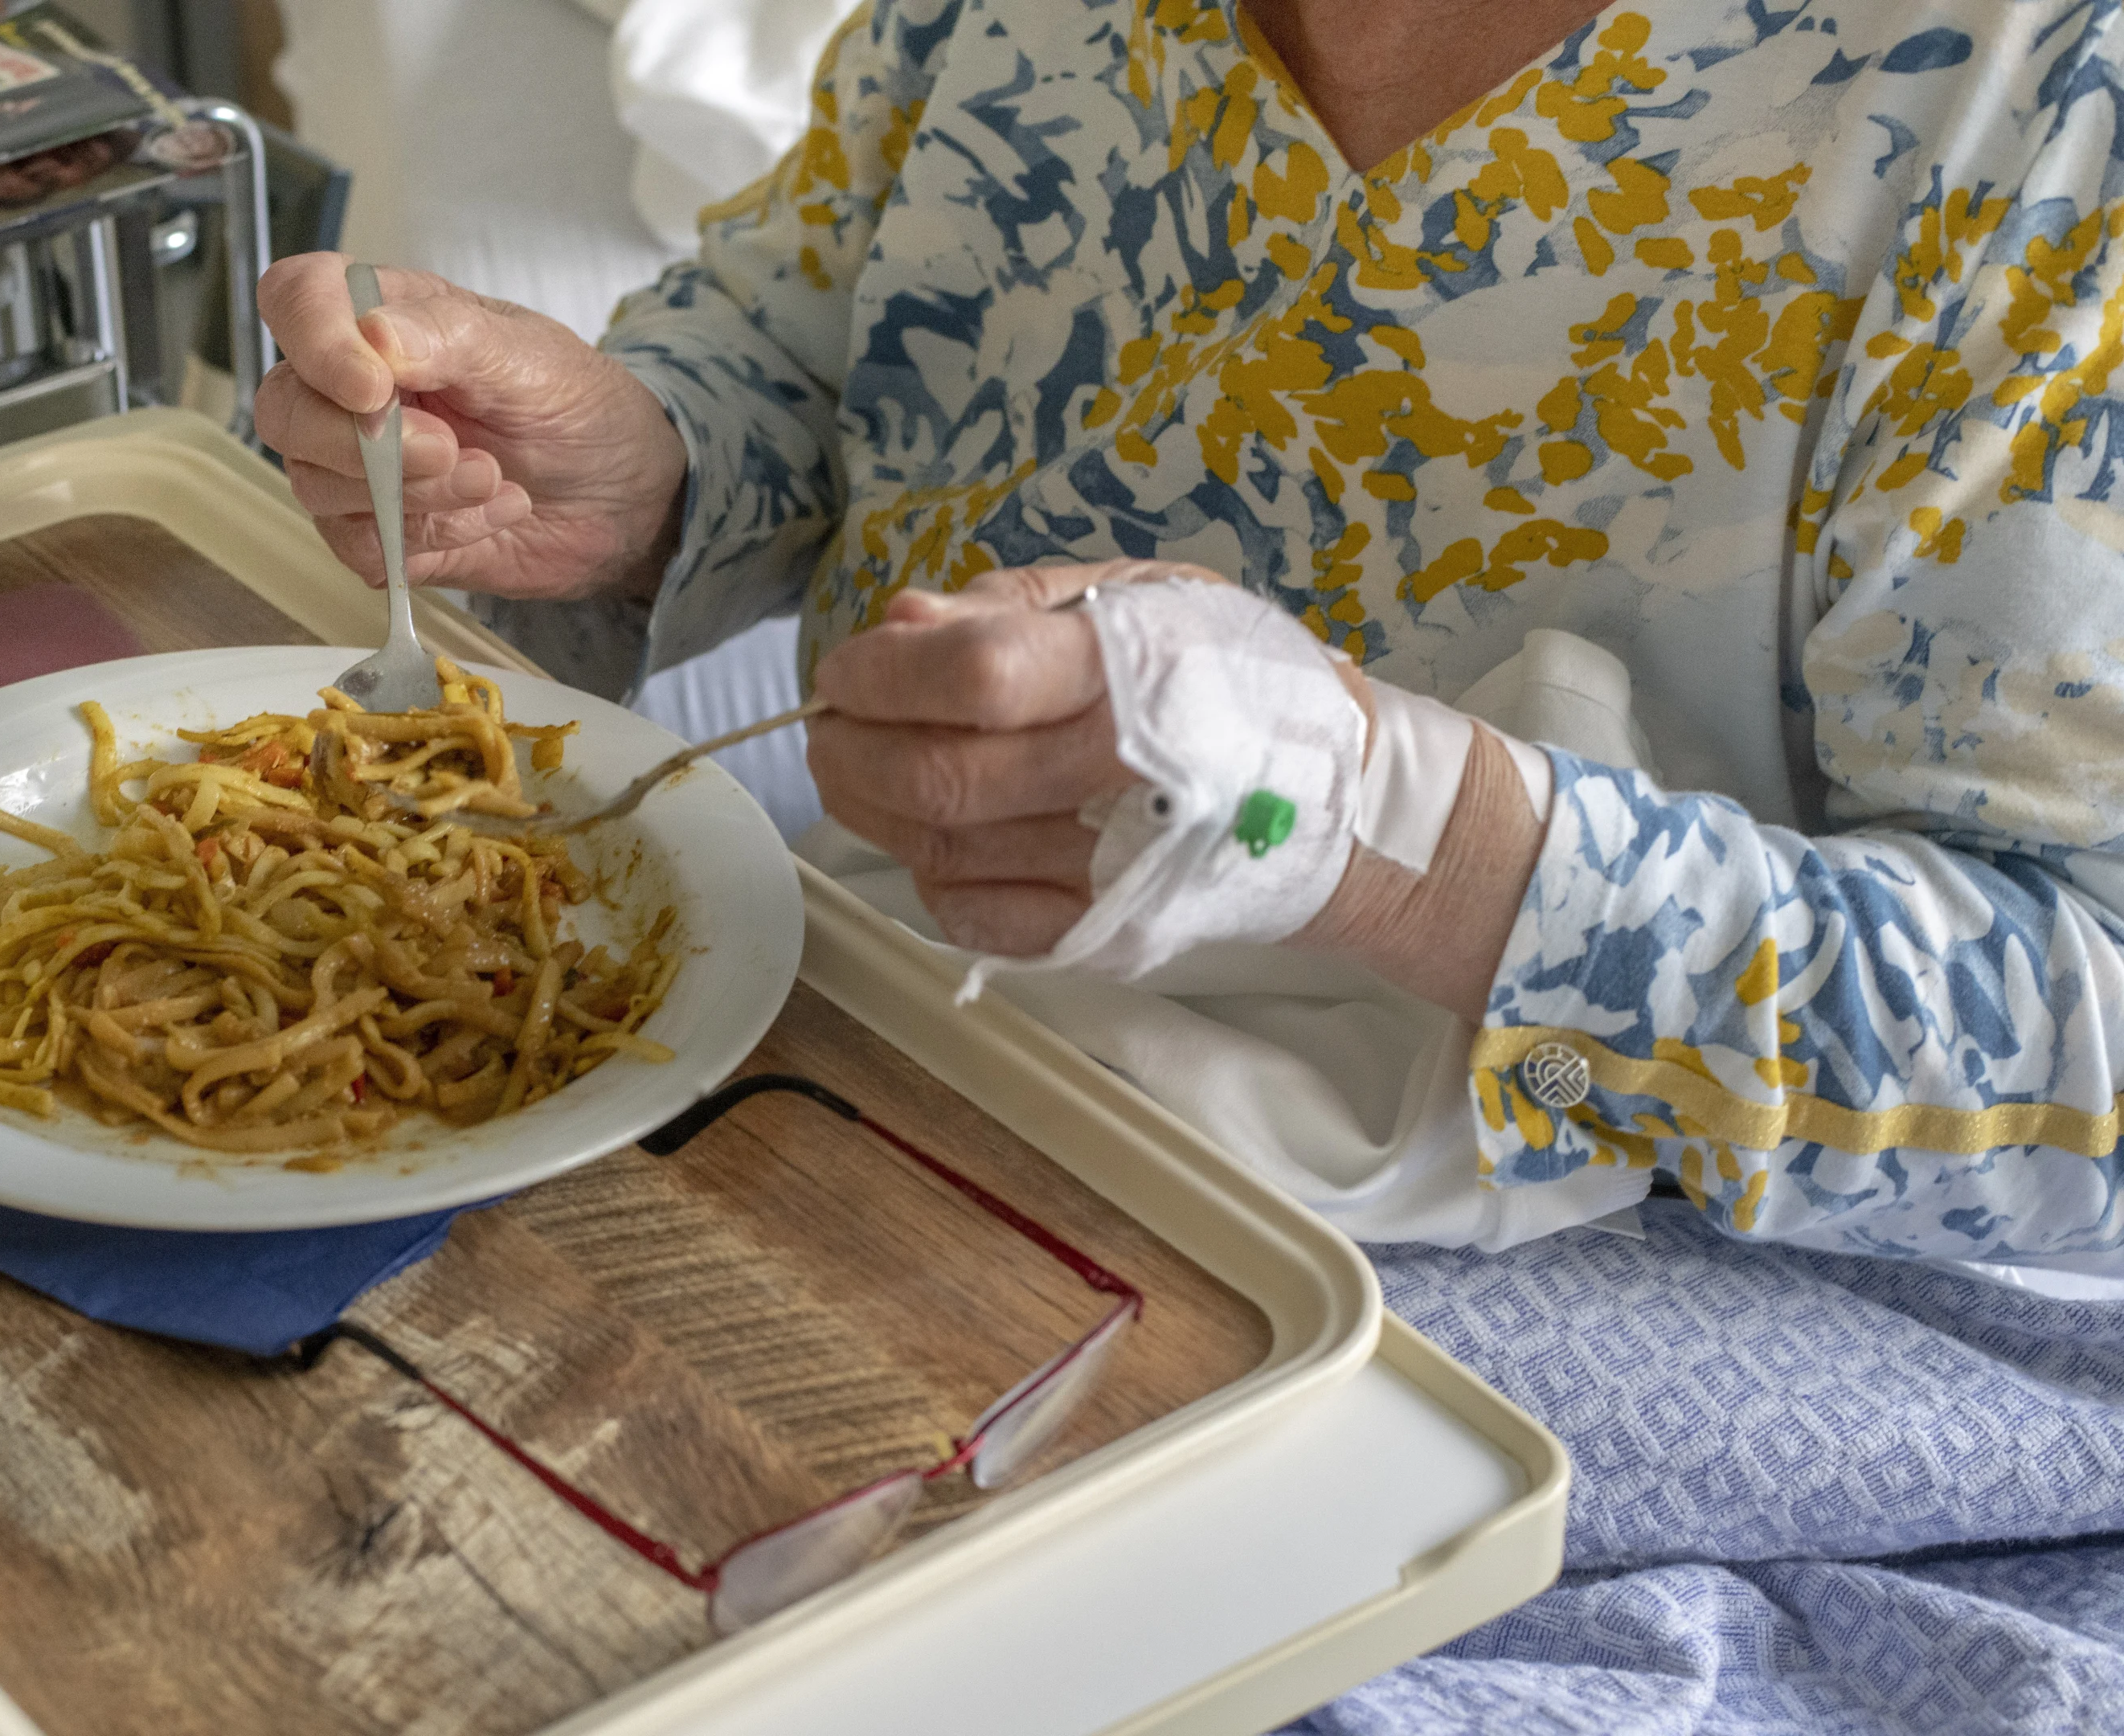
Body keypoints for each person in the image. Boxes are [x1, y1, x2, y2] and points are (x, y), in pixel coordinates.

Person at [252, 0, 2124, 1275]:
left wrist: (1391, 828)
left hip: (1615, 1242)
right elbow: (817, 342)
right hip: (922, 1060)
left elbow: (2081, 1055)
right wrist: (645, 469)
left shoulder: (2034, 109)